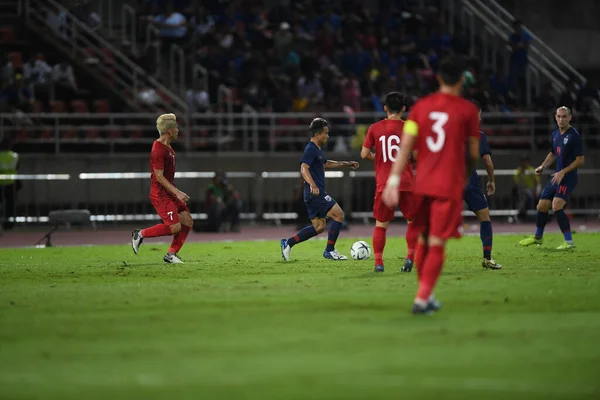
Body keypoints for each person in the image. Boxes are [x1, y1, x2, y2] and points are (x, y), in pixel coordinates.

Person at [382, 55, 480, 314]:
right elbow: (472, 152)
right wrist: (465, 175)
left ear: (438, 78)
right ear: (461, 80)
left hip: (422, 185)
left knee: (423, 241)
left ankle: (426, 294)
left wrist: (393, 179)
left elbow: (405, 146)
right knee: (437, 243)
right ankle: (422, 297)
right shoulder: (468, 111)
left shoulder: (420, 108)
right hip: (447, 186)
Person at [280, 118, 359, 261]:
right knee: (339, 215)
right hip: (315, 193)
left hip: (313, 193)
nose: (328, 136)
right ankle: (330, 250)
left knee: (319, 227)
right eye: (326, 133)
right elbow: (304, 168)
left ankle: (288, 243)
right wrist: (313, 184)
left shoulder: (317, 150)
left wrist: (346, 163)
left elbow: (326, 163)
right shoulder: (310, 149)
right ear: (317, 134)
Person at [360, 92, 419, 273]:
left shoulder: (375, 128)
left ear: (385, 108)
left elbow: (363, 154)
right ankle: (409, 258)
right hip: (406, 182)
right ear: (404, 108)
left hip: (384, 184)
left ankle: (379, 263)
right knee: (412, 221)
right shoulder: (410, 127)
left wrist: (377, 157)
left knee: (381, 224)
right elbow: (416, 156)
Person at [131, 113, 193, 263]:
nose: (178, 130)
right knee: (174, 227)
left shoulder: (168, 148)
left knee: (187, 220)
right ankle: (140, 234)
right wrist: (177, 192)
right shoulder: (159, 150)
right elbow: (158, 176)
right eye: (176, 127)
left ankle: (171, 254)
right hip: (160, 195)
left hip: (168, 193)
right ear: (169, 131)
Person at [519, 106, 584, 250]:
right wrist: (542, 166)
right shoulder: (555, 134)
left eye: (564, 117)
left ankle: (569, 241)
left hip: (568, 177)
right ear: (555, 117)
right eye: (559, 116)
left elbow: (580, 160)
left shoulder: (574, 136)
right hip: (556, 176)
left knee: (556, 206)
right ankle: (538, 237)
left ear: (570, 118)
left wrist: (563, 172)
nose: (561, 119)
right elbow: (553, 153)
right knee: (541, 206)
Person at [463, 100, 502, 270]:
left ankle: (425, 259)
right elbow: (487, 160)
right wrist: (492, 180)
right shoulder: (478, 135)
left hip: (448, 181)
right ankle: (487, 258)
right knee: (484, 217)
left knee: (437, 220)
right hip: (469, 182)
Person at [513, 156, 541, 221]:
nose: (524, 163)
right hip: (521, 190)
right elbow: (517, 183)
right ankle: (525, 215)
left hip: (532, 189)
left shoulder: (531, 170)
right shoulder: (518, 171)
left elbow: (537, 183)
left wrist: (538, 190)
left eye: (525, 161)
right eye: (522, 161)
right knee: (526, 197)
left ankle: (535, 215)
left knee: (539, 195)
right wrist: (523, 176)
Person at [0, 138, 20, 231]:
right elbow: (17, 168)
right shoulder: (14, 156)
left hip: (1, 184)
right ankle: (9, 225)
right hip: (11, 184)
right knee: (10, 206)